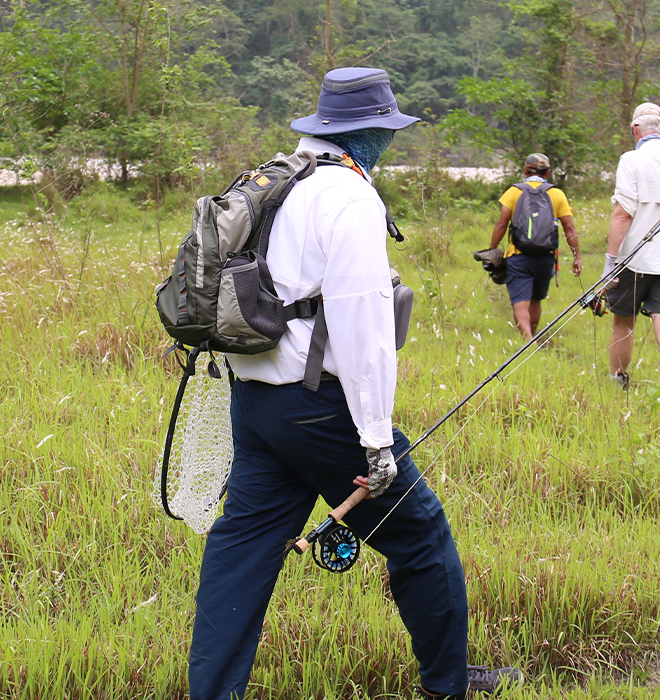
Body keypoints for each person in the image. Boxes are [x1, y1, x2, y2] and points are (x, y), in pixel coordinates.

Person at [188, 67, 520, 700]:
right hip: (320, 409)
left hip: (253, 398)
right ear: (371, 132)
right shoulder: (349, 196)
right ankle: (451, 685)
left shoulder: (281, 181)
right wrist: (376, 442)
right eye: (387, 131)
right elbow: (361, 324)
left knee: (242, 550)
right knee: (420, 535)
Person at [599, 109, 660, 403]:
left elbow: (622, 213)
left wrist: (610, 262)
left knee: (623, 323)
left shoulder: (631, 160)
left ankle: (619, 381)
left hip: (634, 261)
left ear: (635, 130)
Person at [487, 153, 580, 340]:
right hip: (546, 256)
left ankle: (527, 339)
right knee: (536, 299)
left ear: (525, 171)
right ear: (548, 173)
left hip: (518, 254)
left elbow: (502, 224)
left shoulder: (514, 191)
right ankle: (532, 336)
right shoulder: (556, 193)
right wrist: (577, 256)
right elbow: (569, 227)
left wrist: (492, 249)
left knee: (520, 301)